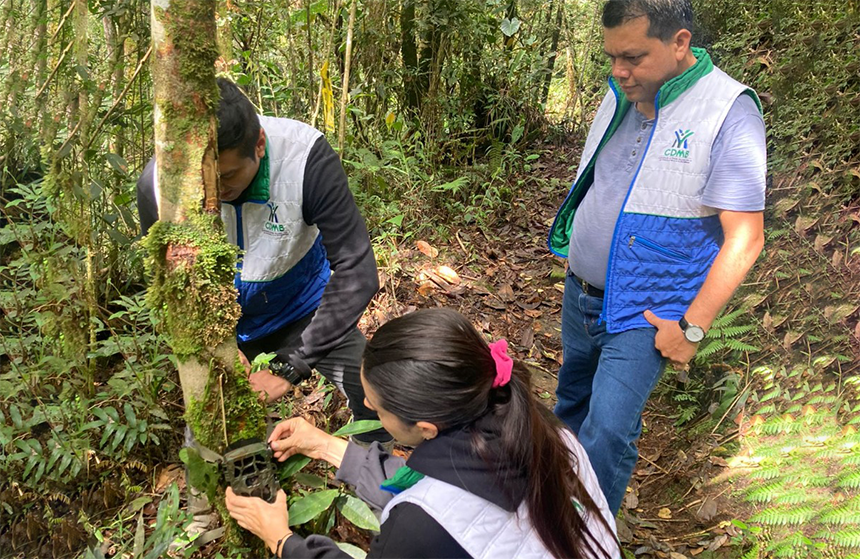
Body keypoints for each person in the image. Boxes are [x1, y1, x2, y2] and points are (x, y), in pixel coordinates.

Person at [547, 0, 766, 514]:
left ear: (680, 42)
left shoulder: (726, 110)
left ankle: (586, 539)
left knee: (607, 431)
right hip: (581, 296)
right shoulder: (619, 94)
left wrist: (692, 329)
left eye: (634, 57)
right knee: (571, 408)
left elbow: (746, 237)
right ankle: (553, 513)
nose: (619, 71)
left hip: (647, 312)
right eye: (611, 57)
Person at [225, 308, 621, 559]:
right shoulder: (540, 428)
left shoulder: (418, 530)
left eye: (377, 410)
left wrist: (282, 540)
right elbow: (440, 495)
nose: (375, 417)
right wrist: (326, 446)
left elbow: (434, 512)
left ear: (427, 428)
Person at [137, 78, 389, 447]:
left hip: (302, 310)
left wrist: (293, 364)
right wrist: (214, 342)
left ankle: (374, 479)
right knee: (211, 427)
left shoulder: (305, 157)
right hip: (220, 325)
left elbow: (357, 270)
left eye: (225, 177)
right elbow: (169, 286)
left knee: (374, 391)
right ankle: (230, 496)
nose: (214, 192)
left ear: (259, 144)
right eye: (202, 181)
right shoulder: (159, 185)